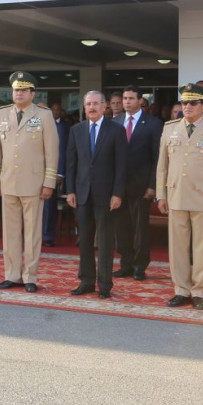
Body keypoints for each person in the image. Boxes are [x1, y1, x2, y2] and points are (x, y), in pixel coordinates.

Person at [156, 83, 203, 310]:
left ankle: (199, 291)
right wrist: (161, 194)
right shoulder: (170, 128)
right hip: (176, 194)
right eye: (184, 102)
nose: (187, 107)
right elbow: (162, 165)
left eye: (193, 103)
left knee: (202, 247)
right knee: (177, 247)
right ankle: (181, 289)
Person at [0, 72, 59, 293]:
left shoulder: (44, 115)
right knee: (10, 232)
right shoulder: (2, 114)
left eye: (23, 90)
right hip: (8, 181)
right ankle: (12, 274)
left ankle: (30, 276)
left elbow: (52, 151)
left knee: (32, 232)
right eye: (16, 90)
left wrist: (49, 181)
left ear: (32, 93)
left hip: (34, 182)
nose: (18, 93)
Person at [64, 91, 126, 299]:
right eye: (88, 104)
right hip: (82, 194)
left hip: (106, 196)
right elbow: (71, 163)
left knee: (106, 241)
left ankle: (105, 284)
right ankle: (87, 281)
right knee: (85, 240)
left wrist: (117, 193)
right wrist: (70, 190)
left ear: (104, 106)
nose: (91, 107)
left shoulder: (116, 130)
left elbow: (121, 165)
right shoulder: (76, 130)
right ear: (84, 106)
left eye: (96, 104)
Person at [114, 85, 161, 281]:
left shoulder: (152, 123)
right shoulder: (115, 122)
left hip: (141, 185)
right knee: (121, 226)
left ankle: (140, 266)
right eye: (125, 98)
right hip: (118, 185)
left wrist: (153, 185)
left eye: (131, 98)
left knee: (140, 228)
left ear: (140, 100)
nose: (127, 102)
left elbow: (157, 157)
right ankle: (125, 264)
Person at [43, 102, 69, 247]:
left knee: (49, 207)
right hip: (34, 173)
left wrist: (60, 173)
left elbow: (63, 152)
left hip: (51, 173)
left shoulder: (63, 127)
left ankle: (47, 236)